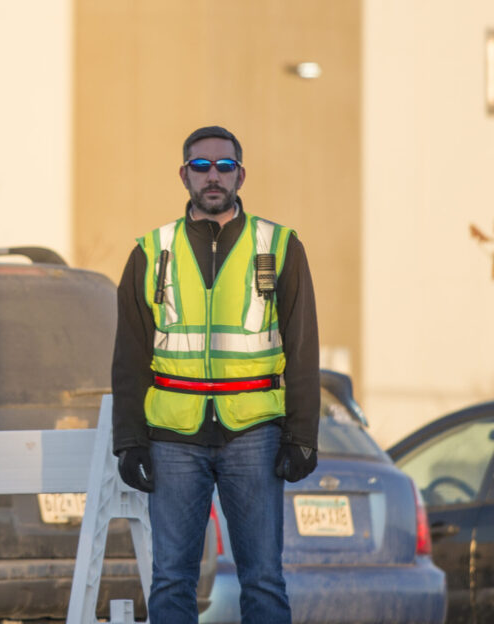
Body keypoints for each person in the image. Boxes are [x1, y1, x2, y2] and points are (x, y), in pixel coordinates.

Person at [111, 125, 321, 623]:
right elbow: (129, 359)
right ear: (184, 174)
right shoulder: (150, 251)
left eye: (224, 166)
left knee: (264, 581)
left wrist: (302, 436)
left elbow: (303, 347)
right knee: (171, 583)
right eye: (201, 165)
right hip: (174, 436)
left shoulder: (280, 246)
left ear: (240, 175)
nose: (213, 175)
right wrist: (129, 442)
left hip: (254, 433)